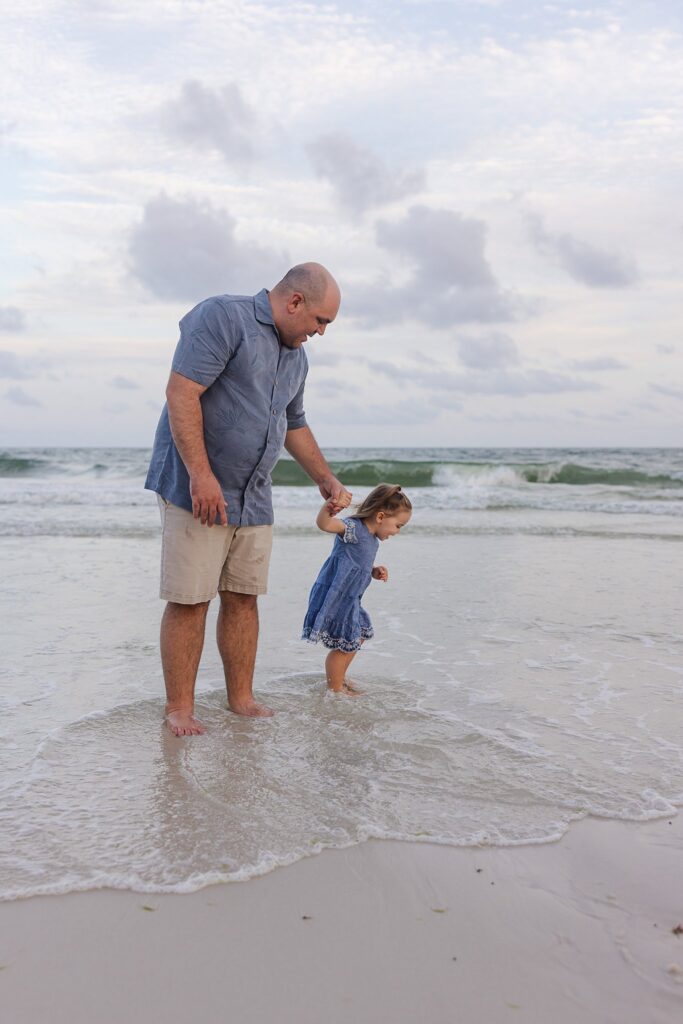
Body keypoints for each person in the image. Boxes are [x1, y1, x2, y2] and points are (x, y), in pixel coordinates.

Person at [145, 263, 352, 736]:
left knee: (243, 598)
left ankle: (241, 698)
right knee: (190, 600)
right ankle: (179, 708)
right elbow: (182, 394)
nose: (321, 332)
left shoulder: (297, 358)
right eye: (321, 321)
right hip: (196, 489)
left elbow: (293, 423)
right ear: (295, 301)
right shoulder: (222, 317)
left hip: (254, 494)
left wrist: (325, 478)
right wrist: (201, 474)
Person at [302, 484, 412, 694]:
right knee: (347, 643)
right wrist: (329, 508)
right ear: (380, 517)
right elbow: (324, 524)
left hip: (352, 598)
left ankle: (339, 679)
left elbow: (355, 563)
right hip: (338, 596)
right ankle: (335, 688)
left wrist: (373, 571)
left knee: (358, 634)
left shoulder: (372, 540)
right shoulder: (354, 529)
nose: (397, 532)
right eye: (398, 525)